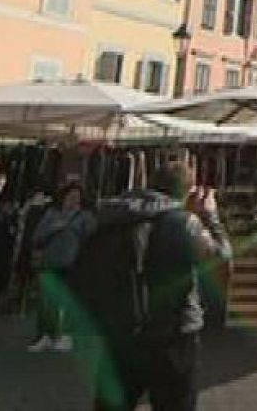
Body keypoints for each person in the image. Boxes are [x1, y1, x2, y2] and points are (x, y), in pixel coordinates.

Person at [90, 157, 232, 411]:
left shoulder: (114, 215)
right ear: (186, 192)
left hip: (120, 329)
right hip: (173, 333)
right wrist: (210, 217)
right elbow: (221, 257)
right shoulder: (183, 223)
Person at [29, 181, 95, 353]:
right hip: (50, 261)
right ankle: (45, 336)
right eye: (70, 197)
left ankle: (65, 336)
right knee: (46, 301)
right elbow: (37, 236)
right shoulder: (52, 214)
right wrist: (54, 228)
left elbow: (90, 240)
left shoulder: (84, 216)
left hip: (72, 263)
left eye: (77, 198)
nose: (73, 201)